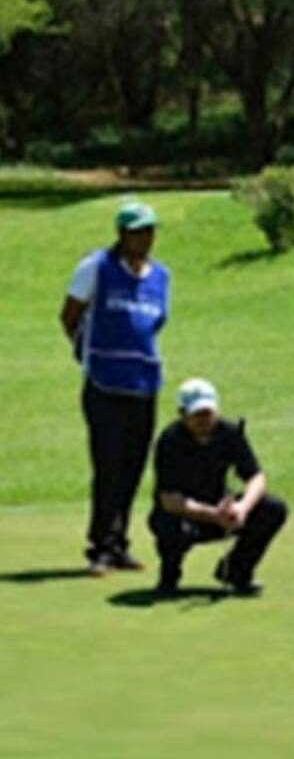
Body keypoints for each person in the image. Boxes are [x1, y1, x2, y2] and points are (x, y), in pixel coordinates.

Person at [59, 201, 170, 576]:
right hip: (104, 383)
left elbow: (155, 325)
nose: (145, 238)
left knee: (133, 468)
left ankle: (119, 543)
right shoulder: (97, 267)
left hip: (144, 384)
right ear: (122, 234)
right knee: (108, 465)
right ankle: (101, 546)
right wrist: (87, 355)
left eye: (149, 230)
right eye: (137, 231)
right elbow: (70, 316)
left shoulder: (161, 277)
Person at [148, 378, 288, 597]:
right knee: (170, 526)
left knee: (273, 508)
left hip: (222, 511)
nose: (204, 419)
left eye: (208, 413)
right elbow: (170, 500)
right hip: (185, 516)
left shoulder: (229, 433)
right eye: (197, 414)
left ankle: (236, 572)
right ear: (182, 414)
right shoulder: (170, 441)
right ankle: (169, 576)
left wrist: (242, 508)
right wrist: (214, 515)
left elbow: (256, 478)